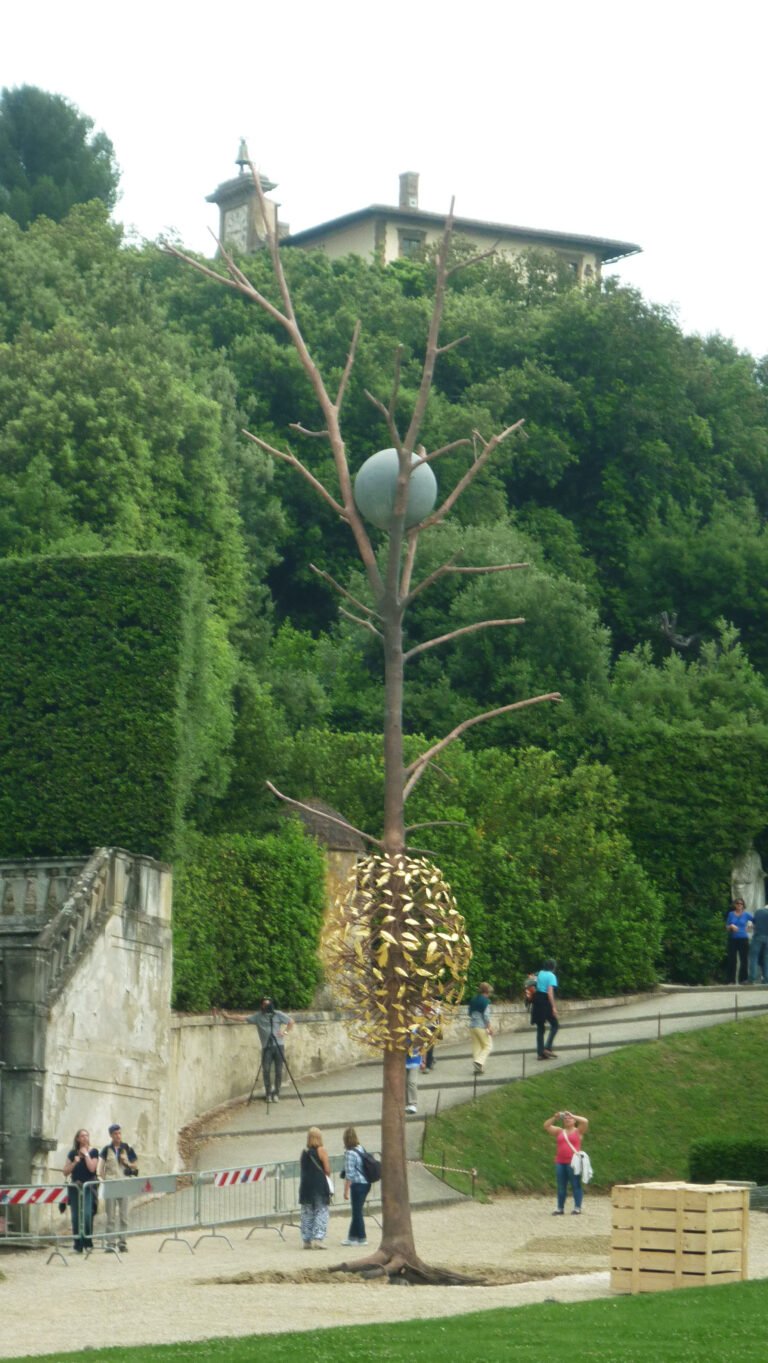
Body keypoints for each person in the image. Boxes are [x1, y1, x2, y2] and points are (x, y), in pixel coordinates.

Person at [98, 1122, 138, 1252]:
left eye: (119, 1133)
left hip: (124, 1184)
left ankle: (122, 1242)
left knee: (124, 1215)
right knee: (110, 1216)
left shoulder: (127, 1148)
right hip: (111, 1184)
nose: (118, 1136)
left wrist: (126, 1162)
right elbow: (100, 1168)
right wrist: (105, 1180)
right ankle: (110, 1242)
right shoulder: (106, 1150)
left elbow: (135, 1164)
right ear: (111, 1135)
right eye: (115, 1133)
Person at [245, 996, 294, 1101]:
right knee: (266, 1070)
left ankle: (276, 1093)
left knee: (278, 1070)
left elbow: (291, 1022)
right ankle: (268, 1093)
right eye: (265, 1004)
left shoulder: (278, 1014)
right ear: (261, 1005)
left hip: (278, 1046)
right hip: (266, 1046)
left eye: (268, 1004)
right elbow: (243, 1018)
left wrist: (284, 1032)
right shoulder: (258, 1016)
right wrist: (228, 1016)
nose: (267, 1006)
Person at [543, 1108, 589, 1215]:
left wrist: (573, 1115)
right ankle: (560, 1207)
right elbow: (546, 1126)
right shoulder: (560, 1131)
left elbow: (585, 1121)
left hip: (573, 1162)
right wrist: (555, 1117)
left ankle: (577, 1207)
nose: (567, 1120)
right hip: (560, 1161)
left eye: (570, 1118)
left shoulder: (578, 1131)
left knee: (575, 1184)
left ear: (574, 1121)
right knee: (561, 1185)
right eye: (566, 1118)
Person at [63, 1127, 99, 1253]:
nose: (85, 1138)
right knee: (76, 1217)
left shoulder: (94, 1152)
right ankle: (78, 1245)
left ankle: (88, 1243)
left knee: (88, 1215)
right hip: (75, 1188)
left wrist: (86, 1154)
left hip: (88, 1188)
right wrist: (74, 1162)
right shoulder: (72, 1153)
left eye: (87, 1135)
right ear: (78, 1139)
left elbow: (92, 1169)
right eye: (82, 1136)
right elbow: (65, 1172)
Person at [298, 1126, 332, 1250]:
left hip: (306, 1185)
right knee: (321, 1211)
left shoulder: (304, 1152)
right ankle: (318, 1238)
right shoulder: (321, 1150)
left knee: (307, 1212)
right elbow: (327, 1169)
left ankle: (306, 1240)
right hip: (319, 1184)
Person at [342, 1125, 370, 1247]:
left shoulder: (349, 1153)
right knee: (357, 1210)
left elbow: (350, 1174)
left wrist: (345, 1191)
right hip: (366, 1182)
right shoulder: (361, 1148)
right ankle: (352, 1237)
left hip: (357, 1184)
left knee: (357, 1212)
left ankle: (362, 1237)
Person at [530, 959, 559, 1060]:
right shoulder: (552, 976)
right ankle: (548, 1048)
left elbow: (532, 983)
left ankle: (540, 1053)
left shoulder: (539, 973)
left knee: (540, 1028)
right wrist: (554, 1007)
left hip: (537, 1001)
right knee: (555, 1025)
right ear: (553, 967)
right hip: (545, 1002)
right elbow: (550, 993)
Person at [468, 982, 494, 1074]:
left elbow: (469, 1013)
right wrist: (489, 1027)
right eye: (489, 992)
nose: (490, 994)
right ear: (487, 991)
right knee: (488, 1046)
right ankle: (479, 1062)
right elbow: (486, 1016)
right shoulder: (485, 1001)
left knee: (477, 1047)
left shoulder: (473, 999)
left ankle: (477, 1069)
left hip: (472, 1026)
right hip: (481, 1026)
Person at [726, 898, 752, 984]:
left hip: (743, 938)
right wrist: (731, 926)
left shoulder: (747, 915)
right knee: (732, 959)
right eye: (737, 903)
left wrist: (749, 926)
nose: (739, 905)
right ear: (735, 905)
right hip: (733, 939)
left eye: (741, 904)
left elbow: (755, 921)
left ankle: (743, 979)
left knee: (744, 959)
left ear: (743, 905)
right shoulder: (731, 914)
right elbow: (726, 926)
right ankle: (731, 980)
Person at [748, 901, 768, 984]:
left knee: (754, 957)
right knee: (766, 958)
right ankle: (766, 979)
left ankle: (752, 978)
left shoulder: (759, 911)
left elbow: (752, 923)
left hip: (758, 937)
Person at [405, 1029, 421, 1114]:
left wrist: (424, 1061)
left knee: (411, 1082)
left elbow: (423, 1046)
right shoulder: (401, 1031)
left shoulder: (418, 1031)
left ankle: (413, 1103)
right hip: (403, 1061)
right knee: (404, 1083)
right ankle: (406, 1103)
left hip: (415, 1061)